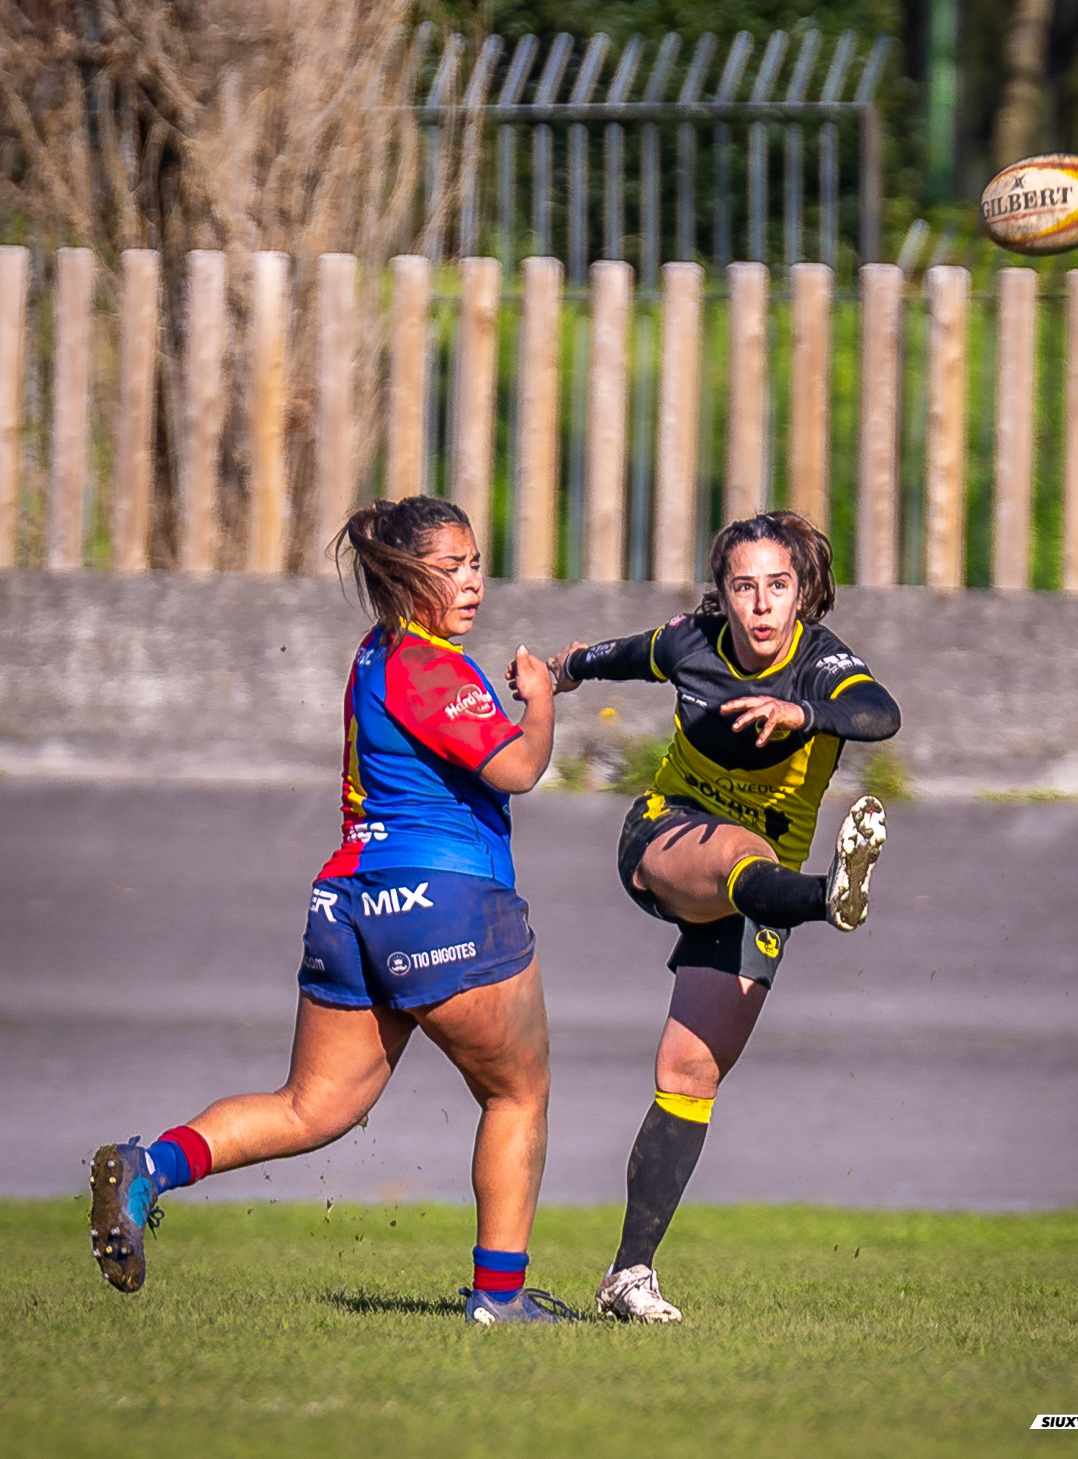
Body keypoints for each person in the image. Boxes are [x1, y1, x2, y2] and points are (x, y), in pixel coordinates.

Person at [89, 495, 577, 1325]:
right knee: (516, 1095)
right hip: (441, 903)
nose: (474, 583)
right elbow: (518, 770)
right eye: (452, 567)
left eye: (476, 563)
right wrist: (542, 698)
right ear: (406, 575)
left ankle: (149, 1166)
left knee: (312, 1108)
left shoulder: (372, 654)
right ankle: (500, 1298)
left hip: (345, 906)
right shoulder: (432, 667)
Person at [549, 509, 900, 1323]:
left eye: (778, 586)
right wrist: (565, 667)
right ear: (723, 596)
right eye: (744, 587)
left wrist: (804, 715)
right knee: (739, 850)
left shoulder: (822, 664)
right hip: (670, 837)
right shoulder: (691, 643)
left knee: (689, 1077)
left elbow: (881, 714)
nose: (762, 605)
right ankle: (829, 898)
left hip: (756, 894)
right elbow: (625, 655)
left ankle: (627, 1276)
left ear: (804, 591)